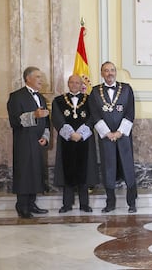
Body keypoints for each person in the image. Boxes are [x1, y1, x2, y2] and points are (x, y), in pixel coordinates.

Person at [88, 61, 137, 213]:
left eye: (112, 70)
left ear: (115, 72)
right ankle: (110, 203)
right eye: (106, 71)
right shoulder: (95, 91)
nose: (109, 73)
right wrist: (107, 133)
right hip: (106, 137)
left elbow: (130, 112)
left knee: (128, 167)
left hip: (123, 135)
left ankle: (132, 203)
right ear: (102, 73)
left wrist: (119, 132)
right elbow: (94, 114)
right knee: (108, 167)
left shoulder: (127, 89)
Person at [7, 66, 50, 218]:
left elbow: (46, 122)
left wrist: (45, 136)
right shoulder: (16, 96)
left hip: (38, 142)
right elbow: (14, 120)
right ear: (28, 78)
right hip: (24, 141)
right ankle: (22, 206)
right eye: (38, 77)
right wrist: (33, 115)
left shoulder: (41, 97)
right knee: (24, 173)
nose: (41, 80)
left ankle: (32, 204)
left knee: (35, 172)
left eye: (41, 77)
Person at [52, 74, 99, 213]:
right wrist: (71, 134)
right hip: (67, 140)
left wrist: (81, 133)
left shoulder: (90, 100)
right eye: (71, 82)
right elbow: (57, 118)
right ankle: (67, 204)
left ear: (81, 85)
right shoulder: (58, 100)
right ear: (68, 84)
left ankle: (84, 204)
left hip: (84, 140)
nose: (74, 85)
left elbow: (93, 117)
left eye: (77, 83)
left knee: (84, 171)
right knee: (68, 170)